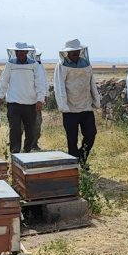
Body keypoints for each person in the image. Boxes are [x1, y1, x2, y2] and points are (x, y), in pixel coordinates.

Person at [54, 38, 100, 166]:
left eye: (77, 51)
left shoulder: (86, 63)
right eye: (73, 51)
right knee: (72, 140)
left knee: (91, 134)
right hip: (70, 109)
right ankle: (74, 167)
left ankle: (82, 158)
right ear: (67, 53)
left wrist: (96, 101)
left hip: (86, 106)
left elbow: (91, 83)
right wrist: (63, 106)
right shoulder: (61, 66)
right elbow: (59, 86)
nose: (76, 53)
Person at [0, 42, 47, 153]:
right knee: (15, 130)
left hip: (30, 104)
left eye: (22, 51)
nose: (19, 53)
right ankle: (15, 154)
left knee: (30, 131)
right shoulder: (10, 64)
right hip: (13, 103)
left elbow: (40, 83)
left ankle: (26, 153)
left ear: (27, 52)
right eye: (17, 51)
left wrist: (40, 99)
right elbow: (3, 81)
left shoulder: (34, 65)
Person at [30, 47, 48, 151]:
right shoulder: (23, 66)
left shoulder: (40, 66)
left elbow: (44, 81)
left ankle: (34, 143)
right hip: (25, 100)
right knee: (21, 124)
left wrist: (44, 95)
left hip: (37, 100)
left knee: (37, 122)